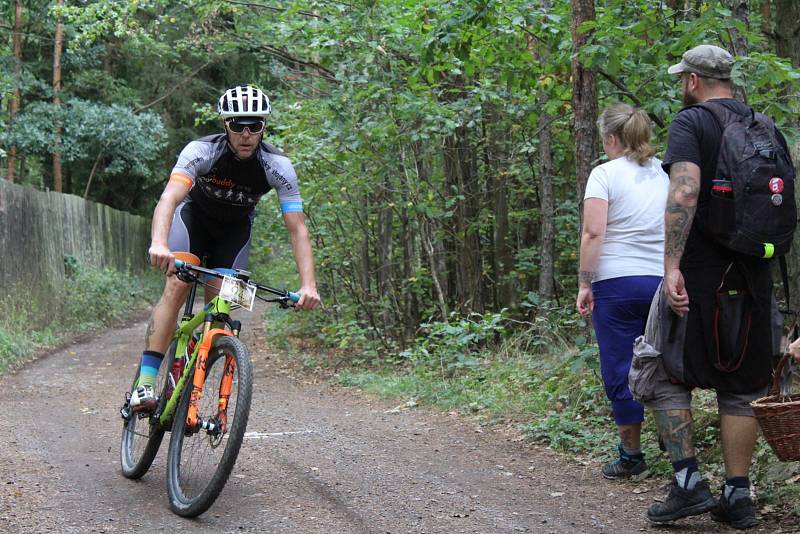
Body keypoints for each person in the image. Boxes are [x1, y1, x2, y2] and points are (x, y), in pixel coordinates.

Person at [643, 45, 792, 529]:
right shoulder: (765, 126)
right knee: (743, 384)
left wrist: (671, 265)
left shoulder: (691, 123)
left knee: (662, 371)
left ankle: (688, 484)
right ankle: (738, 496)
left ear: (692, 81)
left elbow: (685, 189)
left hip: (701, 276)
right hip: (754, 272)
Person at [130, 85, 321, 412]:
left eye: (254, 126)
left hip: (234, 233)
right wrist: (159, 243)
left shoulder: (278, 166)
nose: (246, 134)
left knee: (223, 306)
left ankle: (192, 361)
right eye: (237, 125)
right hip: (193, 223)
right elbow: (169, 199)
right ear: (225, 126)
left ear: (263, 127)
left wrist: (308, 285)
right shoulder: (201, 151)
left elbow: (298, 228)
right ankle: (145, 385)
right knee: (178, 285)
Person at [576, 103, 668, 481]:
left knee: (620, 365)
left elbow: (594, 233)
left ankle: (632, 456)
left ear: (611, 139)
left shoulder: (604, 174)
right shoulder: (666, 173)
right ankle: (682, 462)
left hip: (615, 284)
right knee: (664, 365)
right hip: (662, 282)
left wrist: (585, 281)